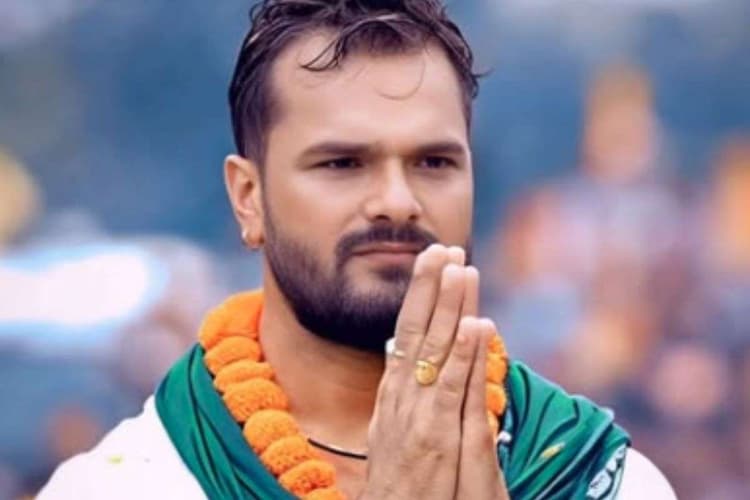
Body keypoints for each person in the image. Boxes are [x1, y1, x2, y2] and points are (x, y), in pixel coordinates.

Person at [38, 1, 676, 498]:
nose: (397, 201)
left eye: (434, 162)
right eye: (342, 163)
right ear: (248, 198)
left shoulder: (600, 479)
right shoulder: (131, 484)